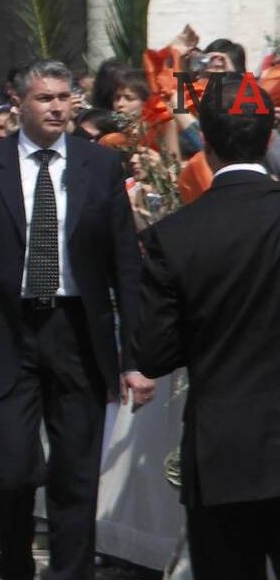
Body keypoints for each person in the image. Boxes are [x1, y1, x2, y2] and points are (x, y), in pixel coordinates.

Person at [0, 60, 154, 580]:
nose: (57, 107)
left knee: (75, 475)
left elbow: (125, 265)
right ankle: (14, 556)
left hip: (77, 332)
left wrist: (136, 358)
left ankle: (71, 573)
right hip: (5, 333)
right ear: (19, 104)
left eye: (63, 98)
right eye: (44, 98)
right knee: (10, 471)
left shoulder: (98, 166)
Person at [135, 81, 280, 578]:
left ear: (208, 147)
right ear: (268, 139)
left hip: (223, 454)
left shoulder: (173, 237)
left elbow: (153, 353)